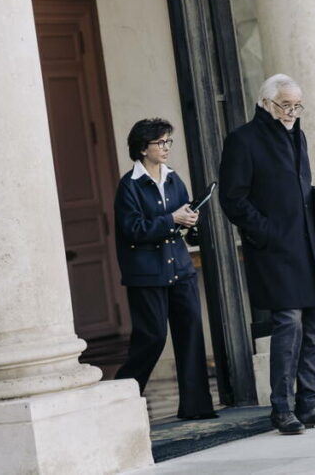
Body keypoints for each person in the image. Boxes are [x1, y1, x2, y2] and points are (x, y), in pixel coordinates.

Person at [219, 74, 315, 434]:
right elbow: (232, 199)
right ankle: (282, 409)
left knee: (313, 327)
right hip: (273, 250)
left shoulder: (298, 134)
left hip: (304, 245)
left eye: (297, 105)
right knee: (288, 325)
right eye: (285, 105)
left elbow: (301, 189)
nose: (292, 111)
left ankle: (309, 404)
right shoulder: (242, 140)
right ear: (265, 103)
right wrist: (266, 232)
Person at [113, 118, 217, 420]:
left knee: (191, 334)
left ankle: (196, 407)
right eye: (160, 142)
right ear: (143, 148)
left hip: (180, 270)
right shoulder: (129, 186)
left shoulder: (174, 179)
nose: (166, 147)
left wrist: (189, 220)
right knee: (152, 338)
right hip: (147, 275)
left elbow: (181, 220)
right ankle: (120, 401)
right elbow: (133, 229)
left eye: (168, 141)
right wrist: (172, 219)